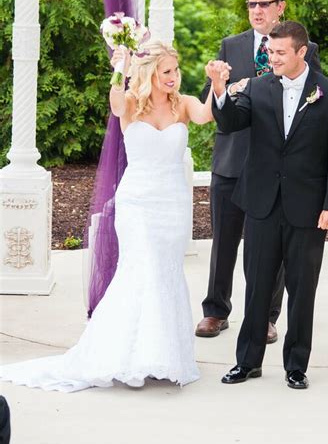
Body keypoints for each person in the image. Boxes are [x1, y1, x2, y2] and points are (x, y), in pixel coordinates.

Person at [0, 41, 222, 392]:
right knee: (141, 270)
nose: (174, 77)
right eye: (166, 71)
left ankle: (163, 355)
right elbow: (115, 102)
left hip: (172, 206)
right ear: (150, 73)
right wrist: (121, 67)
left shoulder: (183, 104)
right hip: (137, 204)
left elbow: (207, 115)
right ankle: (127, 355)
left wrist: (217, 85)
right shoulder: (131, 103)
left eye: (176, 71)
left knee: (165, 273)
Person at [208, 21, 328, 389]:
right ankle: (247, 362)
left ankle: (296, 366)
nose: (272, 58)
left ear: (302, 52)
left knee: (302, 291)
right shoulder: (257, 87)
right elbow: (229, 123)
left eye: (280, 53)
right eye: (270, 52)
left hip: (308, 209)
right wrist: (220, 89)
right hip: (261, 204)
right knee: (256, 286)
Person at [195, 0, 320, 344]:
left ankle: (266, 316)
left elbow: (315, 97)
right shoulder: (230, 46)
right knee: (224, 241)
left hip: (276, 167)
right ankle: (215, 310)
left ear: (280, 6)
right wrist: (228, 87)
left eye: (264, 4)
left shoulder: (304, 49)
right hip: (231, 160)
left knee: (272, 248)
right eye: (252, 4)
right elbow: (211, 99)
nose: (257, 11)